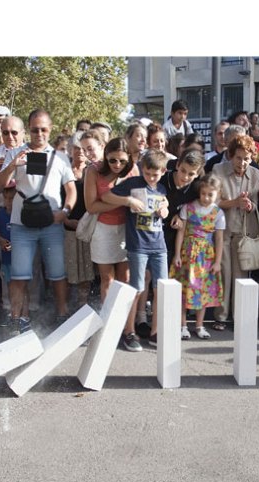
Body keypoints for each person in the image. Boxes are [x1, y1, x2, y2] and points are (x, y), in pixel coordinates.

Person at [0, 109, 77, 335]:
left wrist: (66, 211)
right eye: (34, 129)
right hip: (22, 224)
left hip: (52, 222)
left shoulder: (60, 157)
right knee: (19, 274)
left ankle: (62, 315)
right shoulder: (16, 154)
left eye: (43, 129)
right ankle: (16, 318)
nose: (39, 133)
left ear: (50, 129)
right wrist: (13, 165)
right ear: (28, 130)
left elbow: (71, 189)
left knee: (58, 272)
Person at [102, 149, 170, 352]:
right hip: (138, 245)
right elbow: (106, 196)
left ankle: (156, 331)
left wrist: (165, 210)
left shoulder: (162, 189)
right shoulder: (133, 184)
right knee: (136, 288)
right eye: (147, 173)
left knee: (161, 289)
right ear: (142, 169)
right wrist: (127, 200)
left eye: (155, 174)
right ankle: (129, 331)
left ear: (163, 172)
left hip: (159, 246)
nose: (150, 177)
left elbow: (165, 207)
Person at [211, 134, 259, 330]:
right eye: (238, 158)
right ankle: (221, 317)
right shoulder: (218, 170)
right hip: (223, 230)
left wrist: (249, 206)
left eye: (247, 158)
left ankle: (239, 316)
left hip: (244, 231)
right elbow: (213, 201)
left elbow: (256, 204)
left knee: (242, 275)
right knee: (224, 273)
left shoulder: (255, 175)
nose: (242, 163)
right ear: (231, 156)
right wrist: (235, 202)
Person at [84, 137, 140, 304]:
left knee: (125, 278)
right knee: (107, 279)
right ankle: (108, 322)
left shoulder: (133, 170)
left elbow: (141, 198)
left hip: (126, 228)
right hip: (103, 228)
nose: (117, 165)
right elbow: (91, 206)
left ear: (129, 159)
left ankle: (124, 323)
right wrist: (124, 201)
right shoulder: (93, 171)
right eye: (112, 160)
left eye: (122, 161)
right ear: (105, 156)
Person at [170, 174, 226, 340]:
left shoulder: (218, 213)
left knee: (203, 291)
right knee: (184, 290)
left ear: (217, 194)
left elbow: (219, 239)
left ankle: (199, 325)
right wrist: (177, 254)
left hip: (206, 257)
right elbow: (181, 232)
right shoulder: (188, 207)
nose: (206, 197)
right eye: (203, 193)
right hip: (188, 254)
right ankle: (183, 324)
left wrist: (217, 262)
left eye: (210, 194)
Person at [64, 130, 104, 308]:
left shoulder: (93, 171)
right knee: (68, 270)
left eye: (83, 149)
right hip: (67, 227)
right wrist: (65, 219)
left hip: (89, 228)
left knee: (87, 270)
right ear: (70, 150)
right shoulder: (63, 171)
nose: (80, 152)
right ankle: (64, 309)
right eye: (76, 148)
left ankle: (82, 306)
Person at [0, 186, 27, 326]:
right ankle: (13, 313)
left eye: (12, 199)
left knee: (22, 286)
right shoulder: (0, 214)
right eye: (6, 198)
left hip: (20, 258)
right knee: (9, 285)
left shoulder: (22, 214)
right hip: (6, 257)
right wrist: (1, 241)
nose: (8, 202)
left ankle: (24, 315)